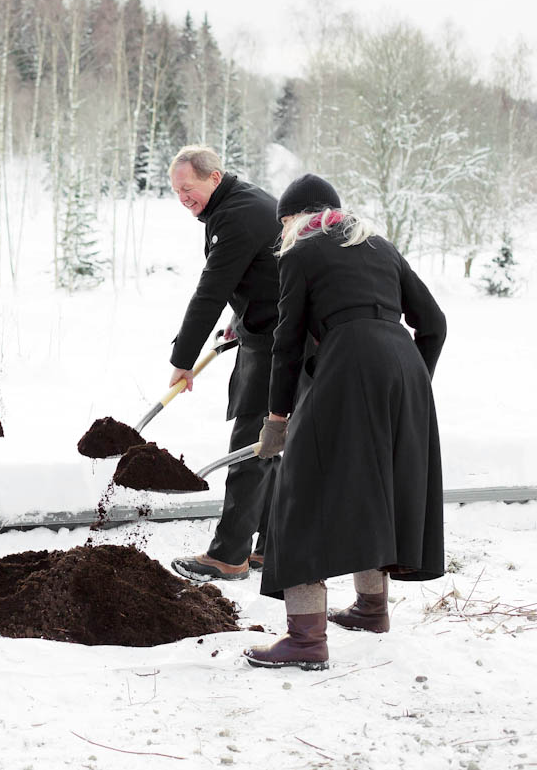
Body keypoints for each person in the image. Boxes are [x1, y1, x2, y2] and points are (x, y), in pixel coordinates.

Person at [246, 173, 446, 671]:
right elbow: (435, 324)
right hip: (405, 367)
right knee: (372, 484)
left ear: (292, 220)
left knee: (301, 492)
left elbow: (287, 343)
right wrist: (411, 380)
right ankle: (372, 609)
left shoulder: (300, 251)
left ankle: (306, 641)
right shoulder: (378, 244)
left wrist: (276, 417)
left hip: (352, 365)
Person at [163, 146, 287, 583]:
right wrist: (242, 318)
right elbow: (261, 272)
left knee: (253, 443)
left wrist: (183, 359)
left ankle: (229, 555)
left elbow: (211, 290)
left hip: (279, 342)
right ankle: (269, 550)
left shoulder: (236, 215)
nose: (182, 197)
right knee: (271, 445)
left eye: (188, 188)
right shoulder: (239, 203)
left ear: (213, 178)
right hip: (275, 332)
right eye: (176, 190)